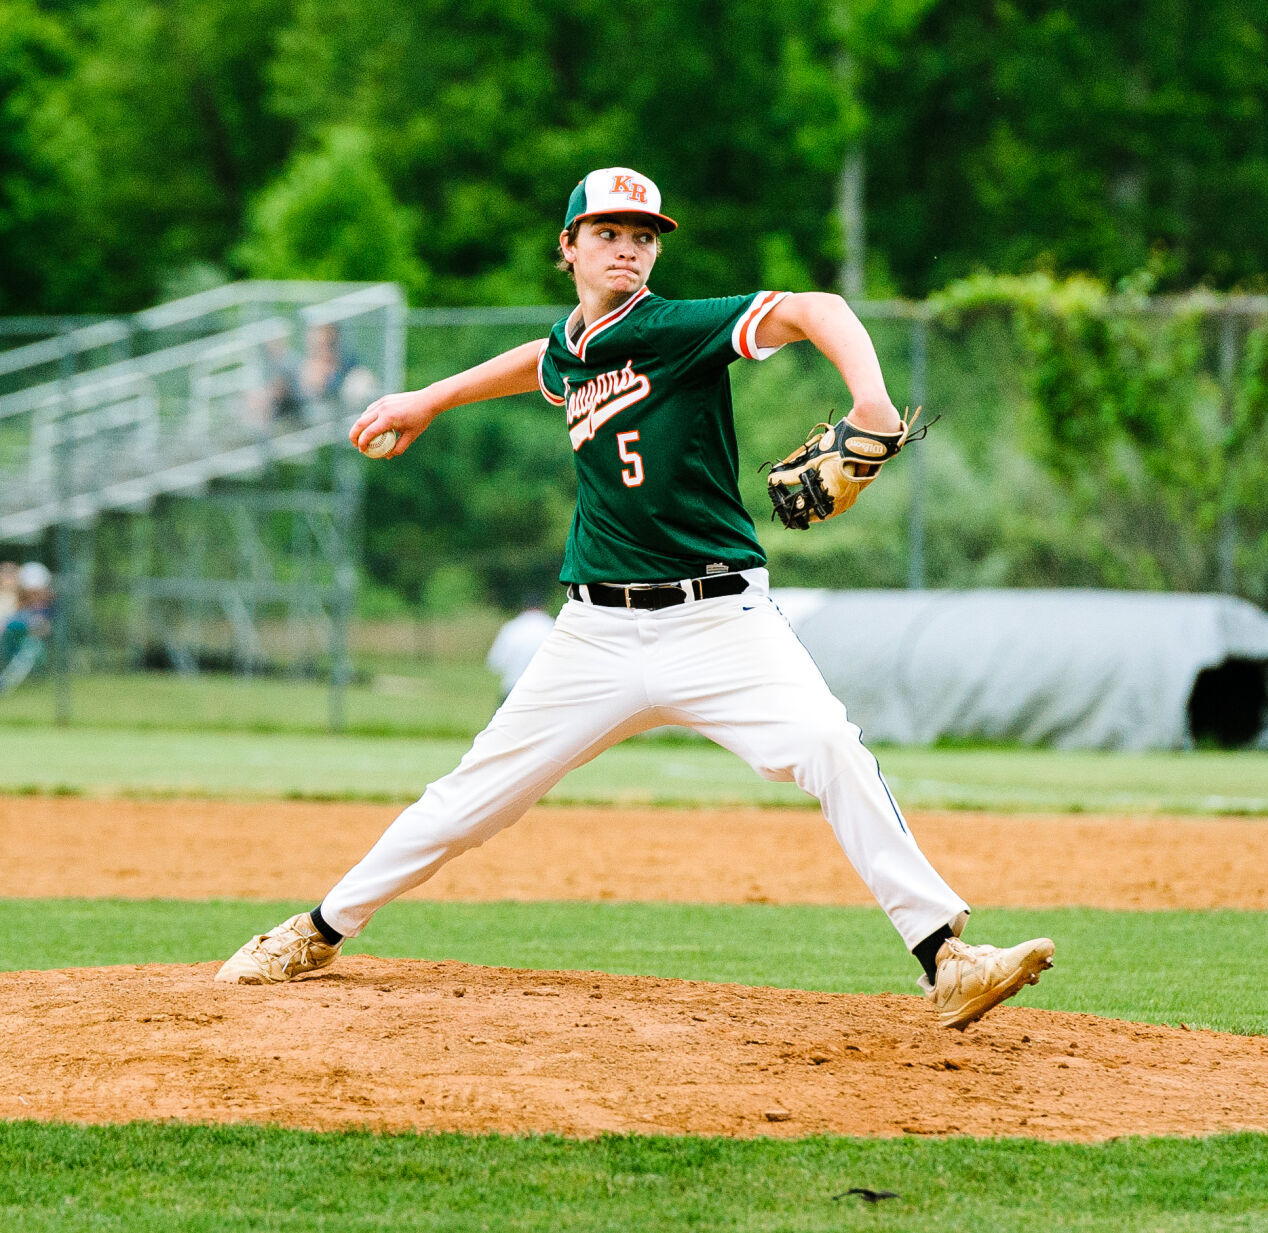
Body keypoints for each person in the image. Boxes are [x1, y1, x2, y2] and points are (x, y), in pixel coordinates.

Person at [217, 166, 1055, 1031]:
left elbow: (815, 308)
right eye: (610, 233)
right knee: (470, 797)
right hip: (594, 636)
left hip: (718, 619)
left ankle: (946, 959)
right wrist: (430, 397)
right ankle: (314, 932)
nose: (629, 248)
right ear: (570, 247)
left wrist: (870, 398)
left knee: (827, 746)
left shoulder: (674, 327)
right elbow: (541, 363)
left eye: (644, 236)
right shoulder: (573, 345)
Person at [485, 594, 556, 701]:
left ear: (524, 607)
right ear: (543, 607)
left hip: (514, 688)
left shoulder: (512, 627)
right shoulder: (553, 627)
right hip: (545, 690)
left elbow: (496, 662)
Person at [0, 561, 53, 693]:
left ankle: (4, 684)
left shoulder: (46, 607)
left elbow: (44, 628)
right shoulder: (16, 602)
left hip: (28, 644)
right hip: (8, 642)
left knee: (30, 649)